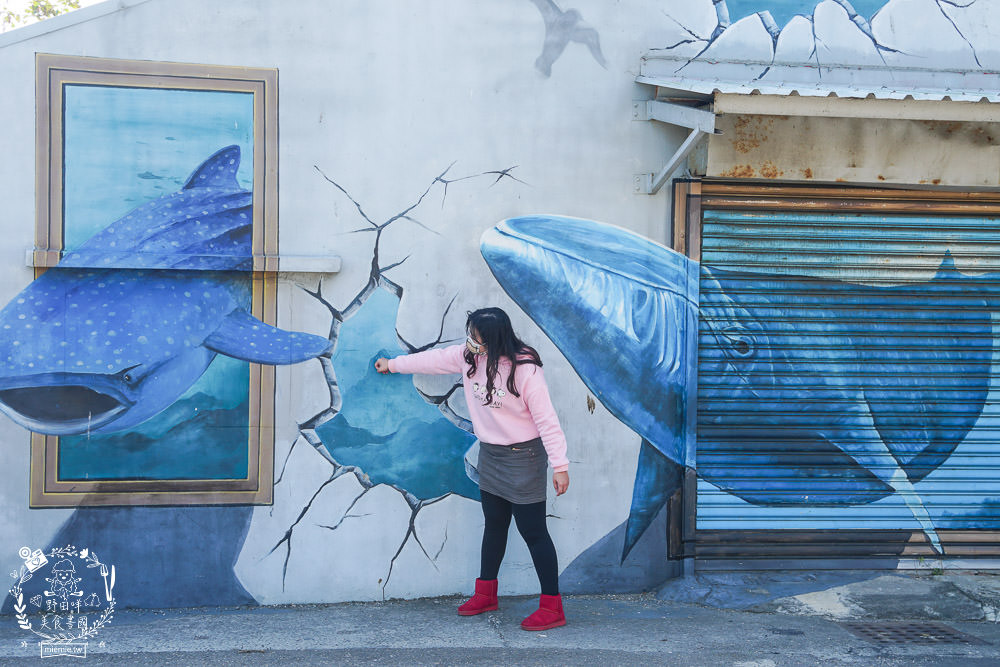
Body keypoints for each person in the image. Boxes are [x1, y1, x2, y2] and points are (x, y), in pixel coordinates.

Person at [374, 307, 570, 631]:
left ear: (494, 342)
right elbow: (432, 360)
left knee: (533, 532)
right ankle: (486, 594)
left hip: (524, 458)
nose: (470, 343)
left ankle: (552, 607)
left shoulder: (524, 368)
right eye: (470, 336)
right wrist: (393, 365)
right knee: (494, 525)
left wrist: (560, 465)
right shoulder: (469, 358)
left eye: (476, 339)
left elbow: (547, 421)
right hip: (491, 454)